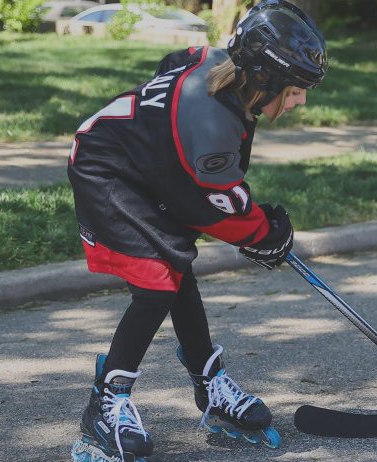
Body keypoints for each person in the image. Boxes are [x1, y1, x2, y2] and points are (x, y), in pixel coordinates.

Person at [66, 1, 326, 460]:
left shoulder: (215, 65)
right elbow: (219, 210)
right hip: (107, 169)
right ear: (261, 80)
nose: (301, 99)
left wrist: (161, 143)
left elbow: (175, 62)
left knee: (176, 267)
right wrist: (266, 236)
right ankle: (105, 405)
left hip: (150, 168)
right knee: (155, 283)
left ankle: (210, 385)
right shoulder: (209, 129)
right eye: (294, 89)